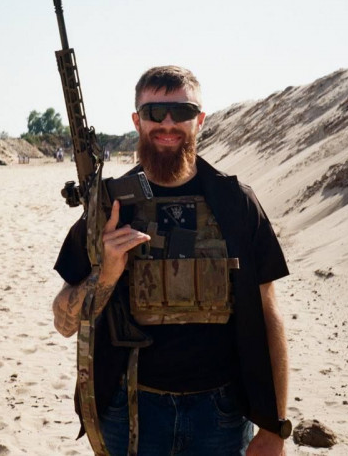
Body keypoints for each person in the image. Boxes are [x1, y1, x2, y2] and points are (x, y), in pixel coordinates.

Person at [52, 66, 291, 455]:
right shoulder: (109, 206)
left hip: (222, 414)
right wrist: (106, 275)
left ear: (200, 119)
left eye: (181, 111)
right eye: (153, 113)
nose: (167, 123)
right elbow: (63, 321)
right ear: (137, 121)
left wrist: (274, 425)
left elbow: (269, 314)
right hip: (130, 411)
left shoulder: (236, 203)